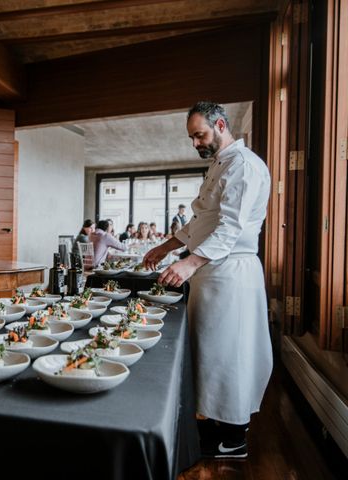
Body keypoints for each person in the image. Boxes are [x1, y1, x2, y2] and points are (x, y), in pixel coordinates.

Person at [143, 102, 272, 460]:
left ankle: (234, 438)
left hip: (232, 272)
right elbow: (201, 219)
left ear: (219, 125)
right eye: (192, 137)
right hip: (212, 272)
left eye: (199, 135)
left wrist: (189, 263)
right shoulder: (220, 165)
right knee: (212, 353)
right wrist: (167, 245)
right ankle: (217, 424)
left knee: (231, 354)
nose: (195, 143)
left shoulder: (244, 166)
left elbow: (230, 228)